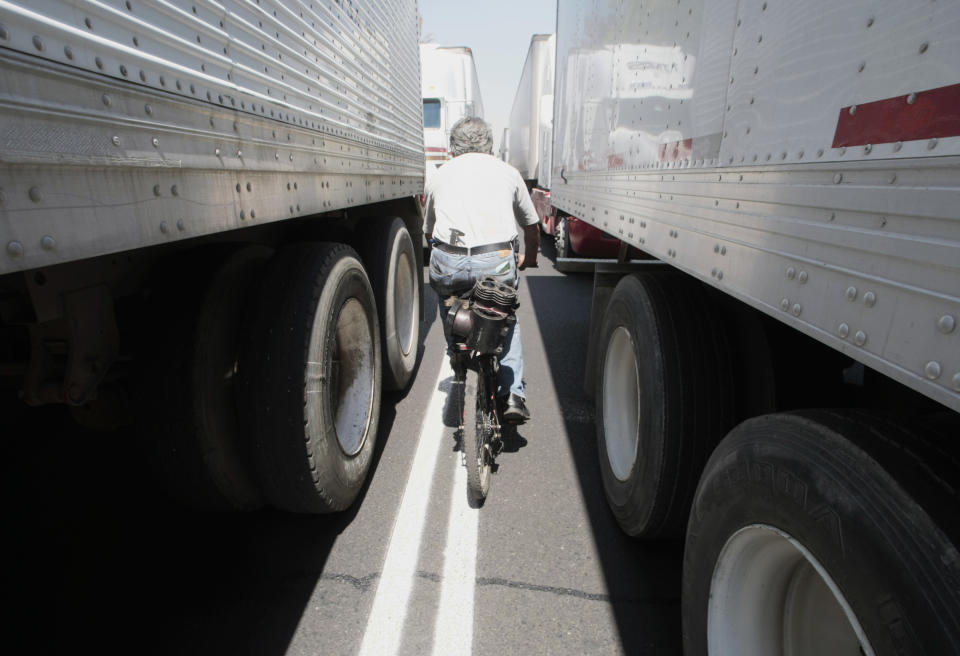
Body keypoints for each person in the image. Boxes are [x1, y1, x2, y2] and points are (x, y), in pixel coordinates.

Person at [424, 117, 540, 423]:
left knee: (447, 301)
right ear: (489, 145)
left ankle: (457, 352)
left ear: (453, 147)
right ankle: (513, 394)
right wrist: (528, 258)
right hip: (497, 261)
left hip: (448, 259)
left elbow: (429, 232)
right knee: (506, 317)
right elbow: (531, 225)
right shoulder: (508, 173)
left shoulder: (439, 175)